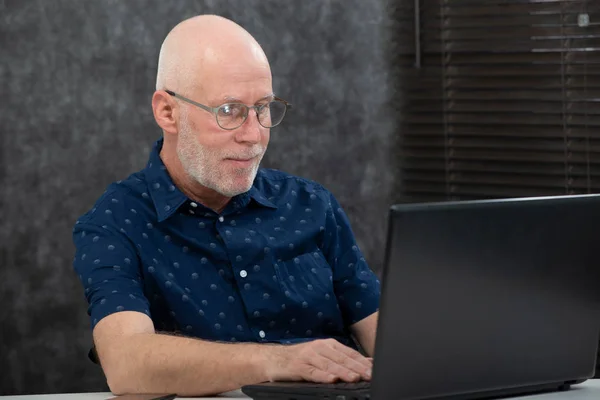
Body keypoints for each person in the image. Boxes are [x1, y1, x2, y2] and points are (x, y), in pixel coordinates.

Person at [72, 14, 380, 397]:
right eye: (229, 111)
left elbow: (388, 338)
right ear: (167, 112)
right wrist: (279, 361)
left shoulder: (312, 203)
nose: (254, 136)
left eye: (263, 108)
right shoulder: (115, 222)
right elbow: (126, 364)